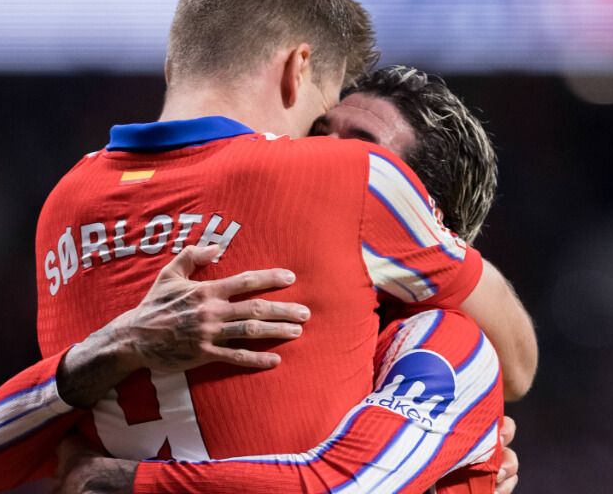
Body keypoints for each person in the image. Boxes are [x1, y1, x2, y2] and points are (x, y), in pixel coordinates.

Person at [0, 0, 535, 493]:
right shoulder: (349, 181)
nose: (316, 144)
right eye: (322, 119)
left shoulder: (66, 202)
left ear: (172, 65)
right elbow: (518, 361)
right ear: (297, 68)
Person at [52, 67, 524, 494]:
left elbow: (343, 488)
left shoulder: (448, 346)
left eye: (361, 148)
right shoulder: (237, 310)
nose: (318, 152)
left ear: (422, 213)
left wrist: (121, 480)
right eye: (318, 132)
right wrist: (112, 352)